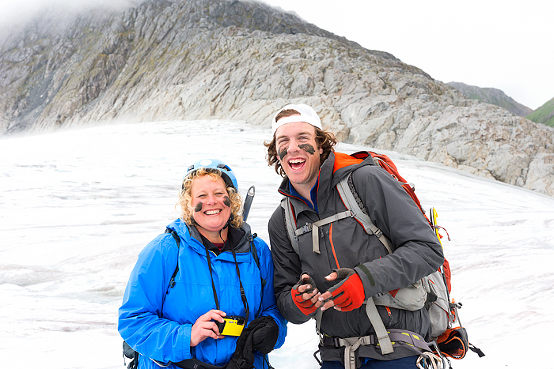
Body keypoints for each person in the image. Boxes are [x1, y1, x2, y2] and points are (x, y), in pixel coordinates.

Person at [265, 104, 444, 369]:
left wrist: (365, 280)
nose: (293, 147)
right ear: (276, 153)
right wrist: (297, 302)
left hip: (399, 352)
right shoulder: (282, 221)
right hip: (334, 357)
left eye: (303, 138)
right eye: (284, 141)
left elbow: (427, 249)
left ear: (322, 144)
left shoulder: (364, 180)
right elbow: (283, 298)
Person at [119, 159, 287, 369]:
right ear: (188, 203)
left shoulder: (258, 252)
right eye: (201, 195)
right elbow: (132, 321)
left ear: (232, 199)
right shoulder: (164, 250)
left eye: (219, 194)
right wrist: (188, 335)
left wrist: (273, 329)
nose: (211, 202)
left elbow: (273, 310)